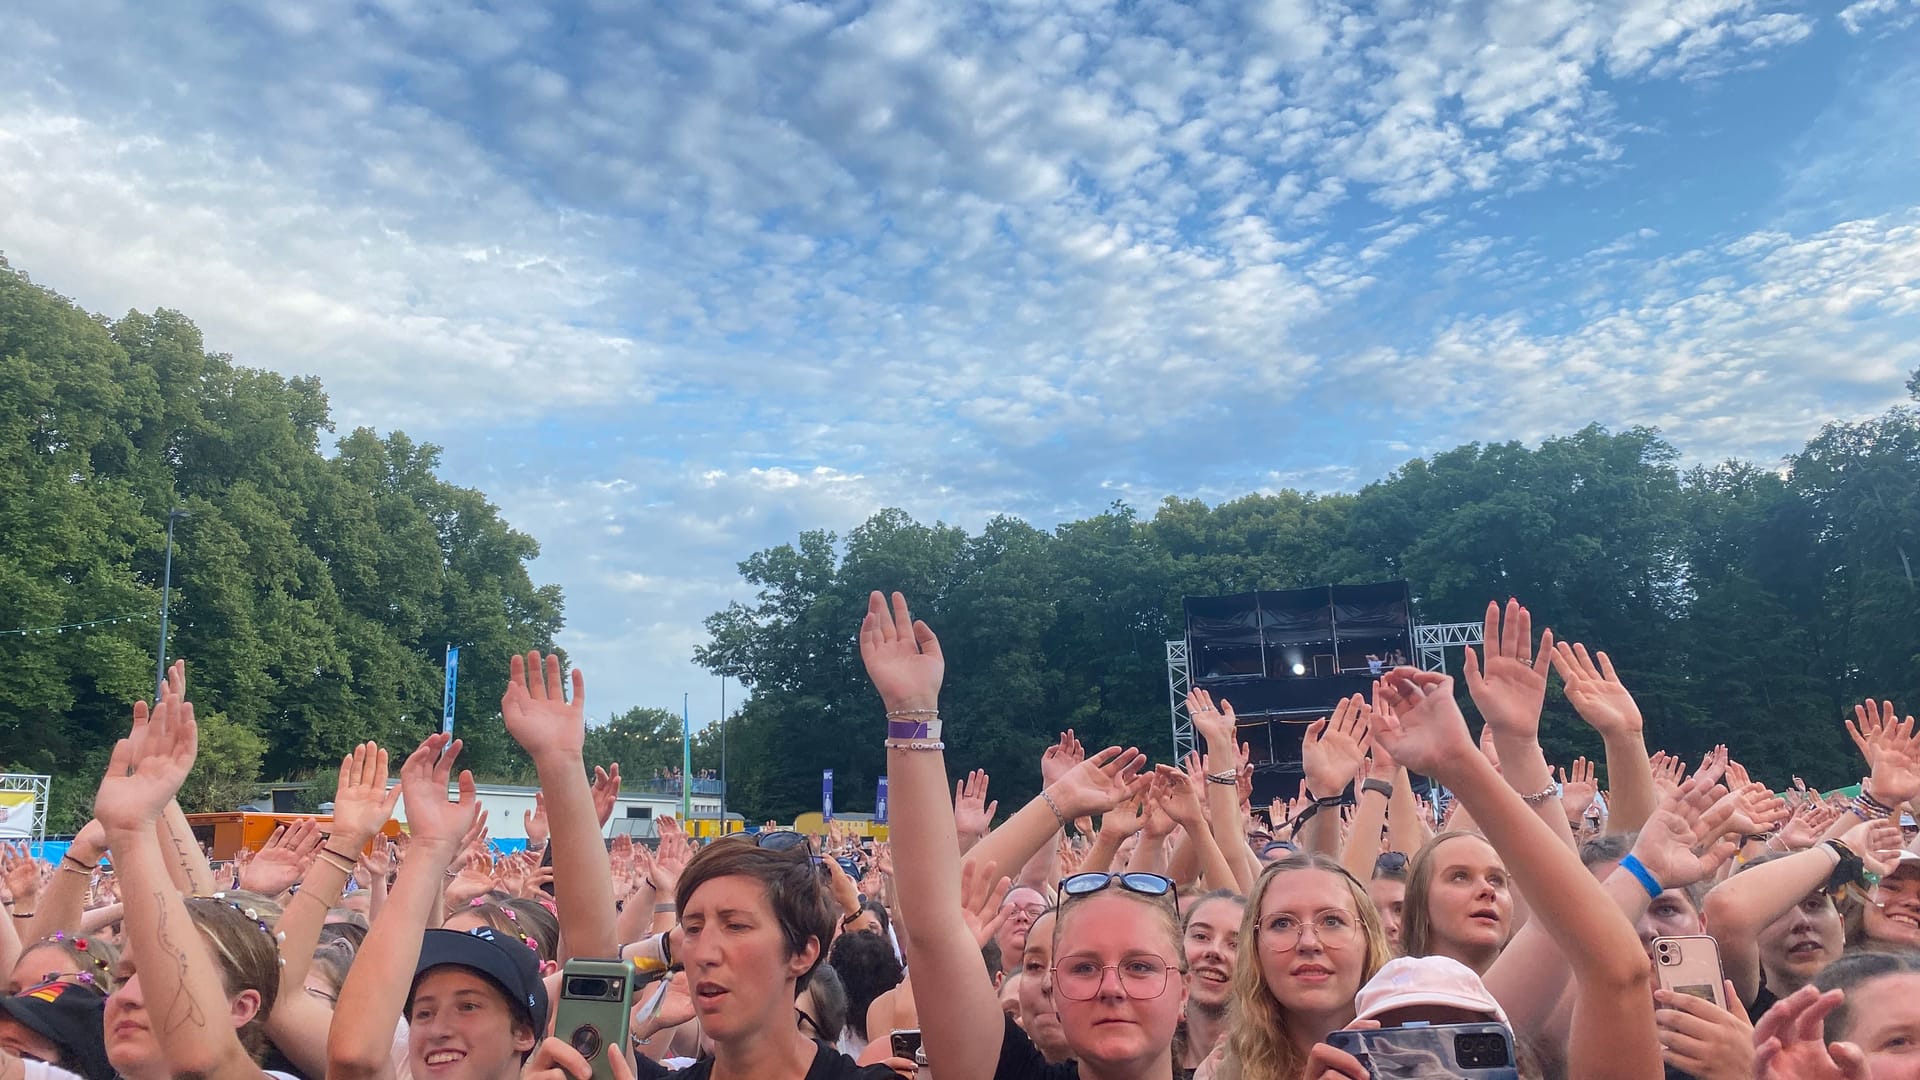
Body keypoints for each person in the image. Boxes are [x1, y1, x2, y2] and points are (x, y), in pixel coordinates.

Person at [1217, 855, 1391, 1080]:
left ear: (1369, 940)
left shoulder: (1424, 1062)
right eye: (1282, 923)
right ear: (1254, 948)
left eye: (1331, 921)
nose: (1309, 943)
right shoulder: (1220, 1072)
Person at [1396, 830, 1512, 975]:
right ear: (1421, 899)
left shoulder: (1544, 992)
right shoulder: (1392, 990)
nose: (1488, 889)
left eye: (1496, 880)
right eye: (1460, 877)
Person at [1177, 891, 1242, 1070]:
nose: (1214, 951)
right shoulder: (1146, 1058)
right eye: (1201, 936)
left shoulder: (1279, 1065)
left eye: (1235, 944)